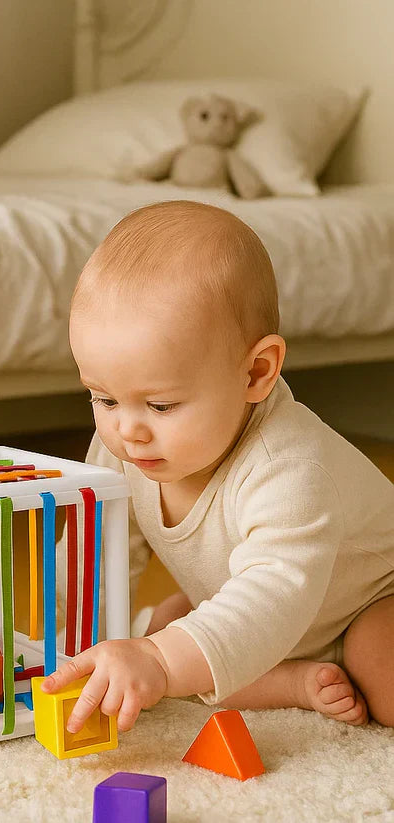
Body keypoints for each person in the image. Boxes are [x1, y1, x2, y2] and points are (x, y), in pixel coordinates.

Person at [44, 200, 394, 736]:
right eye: (104, 398)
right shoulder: (123, 448)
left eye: (160, 406)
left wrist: (159, 662)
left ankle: (335, 669)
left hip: (366, 603)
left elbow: (273, 594)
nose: (127, 430)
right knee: (163, 627)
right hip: (261, 614)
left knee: (380, 673)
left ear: (256, 373)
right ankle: (295, 683)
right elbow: (94, 557)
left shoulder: (289, 467)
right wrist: (53, 642)